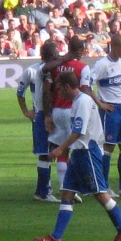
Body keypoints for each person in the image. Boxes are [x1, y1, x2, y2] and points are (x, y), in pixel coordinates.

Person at [35, 72, 121, 241]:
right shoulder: (78, 101)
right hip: (78, 153)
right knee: (67, 193)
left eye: (59, 89)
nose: (58, 93)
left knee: (100, 194)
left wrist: (61, 148)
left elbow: (79, 131)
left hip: (87, 152)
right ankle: (56, 236)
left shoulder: (82, 102)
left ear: (66, 86)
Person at [42, 36, 92, 203]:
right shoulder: (82, 67)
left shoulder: (56, 66)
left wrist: (47, 114)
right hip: (73, 110)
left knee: (62, 149)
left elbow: (47, 90)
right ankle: (76, 187)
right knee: (76, 148)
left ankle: (66, 187)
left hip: (57, 110)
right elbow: (85, 91)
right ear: (82, 51)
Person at [90, 34, 121, 197]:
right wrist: (99, 103)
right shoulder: (102, 64)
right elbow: (86, 84)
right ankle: (105, 186)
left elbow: (119, 84)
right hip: (110, 110)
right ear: (114, 47)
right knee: (108, 147)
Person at [16, 41, 60, 203]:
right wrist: (26, 111)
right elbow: (20, 92)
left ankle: (49, 189)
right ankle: (42, 192)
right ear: (47, 56)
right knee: (44, 154)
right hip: (41, 116)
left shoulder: (57, 70)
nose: (57, 56)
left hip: (56, 115)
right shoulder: (32, 71)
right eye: (55, 54)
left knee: (58, 152)